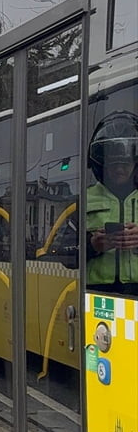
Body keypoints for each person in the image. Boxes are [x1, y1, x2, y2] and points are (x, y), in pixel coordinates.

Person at [86, 110, 138, 295]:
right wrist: (91, 246)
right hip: (96, 296)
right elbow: (56, 253)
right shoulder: (84, 200)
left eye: (125, 163)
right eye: (113, 163)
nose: (119, 169)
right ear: (102, 164)